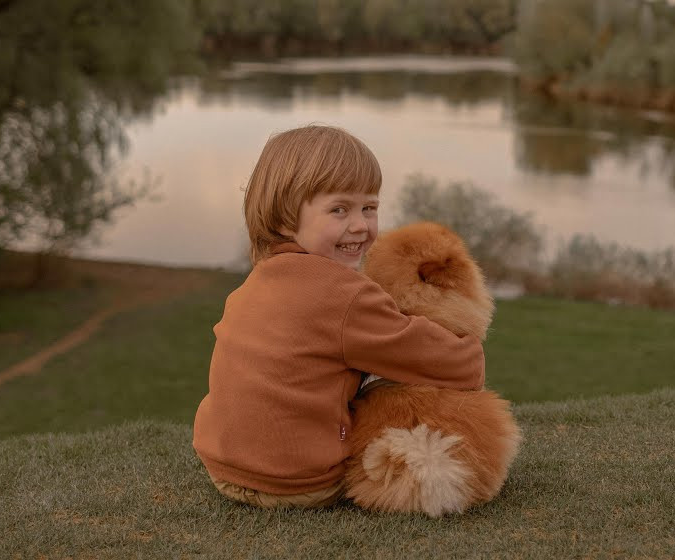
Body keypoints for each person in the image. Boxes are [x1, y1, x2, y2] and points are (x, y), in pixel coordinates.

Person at [192, 124, 485, 509]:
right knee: (396, 390)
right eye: (339, 210)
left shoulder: (259, 279)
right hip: (300, 483)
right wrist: (468, 350)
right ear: (284, 219)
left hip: (223, 468)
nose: (361, 225)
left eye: (370, 208)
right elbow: (456, 366)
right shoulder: (344, 295)